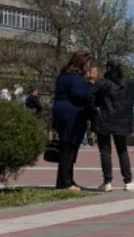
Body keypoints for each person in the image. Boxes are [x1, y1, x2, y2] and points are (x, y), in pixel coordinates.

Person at [86, 59, 134, 192]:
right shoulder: (128, 83)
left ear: (108, 68)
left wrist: (94, 109)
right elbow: (130, 100)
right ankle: (128, 181)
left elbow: (89, 95)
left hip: (104, 118)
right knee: (122, 150)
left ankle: (107, 182)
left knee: (105, 150)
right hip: (121, 119)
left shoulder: (103, 83)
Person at [52, 51, 94, 191]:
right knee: (68, 149)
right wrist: (91, 83)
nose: (88, 65)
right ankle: (65, 182)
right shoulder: (75, 77)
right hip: (71, 114)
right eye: (87, 62)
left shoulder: (63, 75)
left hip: (61, 112)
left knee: (67, 148)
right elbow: (79, 94)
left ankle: (66, 180)